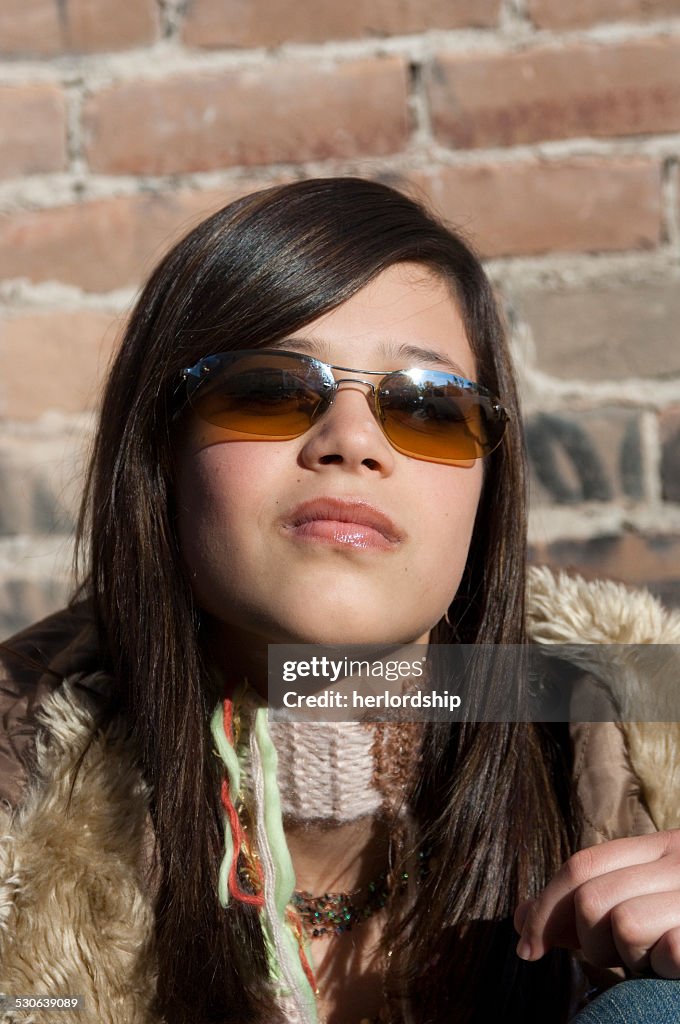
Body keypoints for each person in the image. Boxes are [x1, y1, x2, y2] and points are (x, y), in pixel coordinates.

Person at [1, 177, 680, 1024]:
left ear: (485, 491)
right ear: (162, 454)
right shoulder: (12, 821)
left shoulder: (653, 745)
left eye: (430, 408)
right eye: (270, 390)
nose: (353, 441)